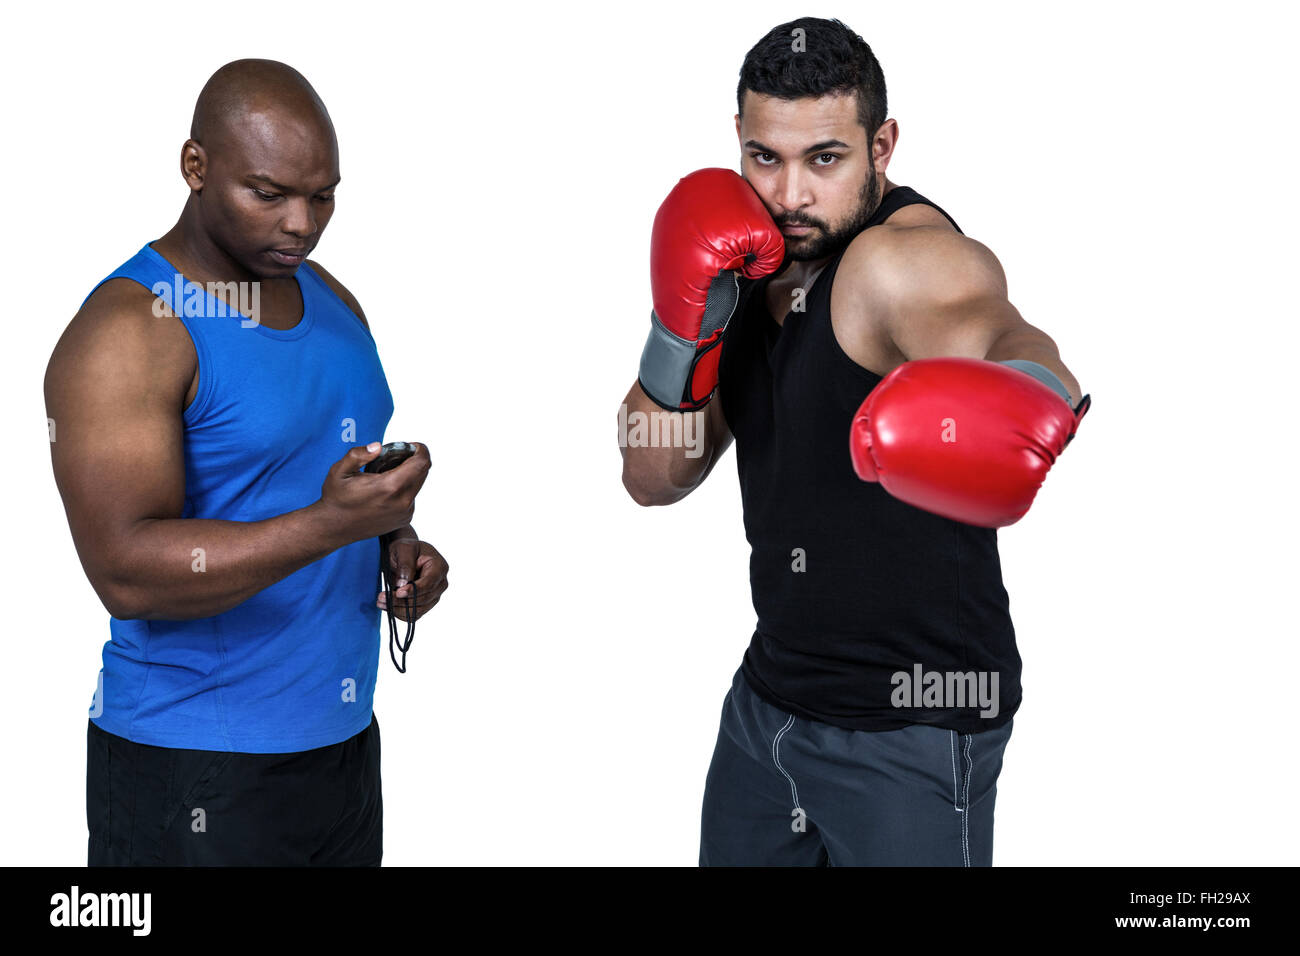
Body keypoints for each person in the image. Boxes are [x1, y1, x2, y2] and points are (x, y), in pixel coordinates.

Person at [619, 17, 1088, 866]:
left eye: (825, 159)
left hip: (911, 730)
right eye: (766, 157)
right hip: (768, 707)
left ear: (883, 145)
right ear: (738, 140)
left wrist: (1032, 388)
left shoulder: (896, 262)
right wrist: (682, 331)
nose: (790, 194)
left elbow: (998, 330)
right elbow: (652, 476)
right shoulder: (742, 262)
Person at [44, 59, 449, 866]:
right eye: (268, 194)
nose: (301, 223)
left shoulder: (330, 297)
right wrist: (329, 524)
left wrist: (391, 541)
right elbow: (124, 571)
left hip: (340, 744)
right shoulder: (129, 331)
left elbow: (323, 482)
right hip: (190, 770)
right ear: (196, 168)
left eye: (323, 195)